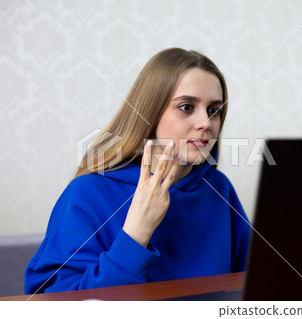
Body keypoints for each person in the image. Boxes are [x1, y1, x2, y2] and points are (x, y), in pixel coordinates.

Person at [24, 48, 251, 294]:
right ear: (149, 115)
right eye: (186, 107)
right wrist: (136, 233)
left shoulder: (218, 187)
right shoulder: (87, 193)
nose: (205, 123)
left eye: (214, 110)